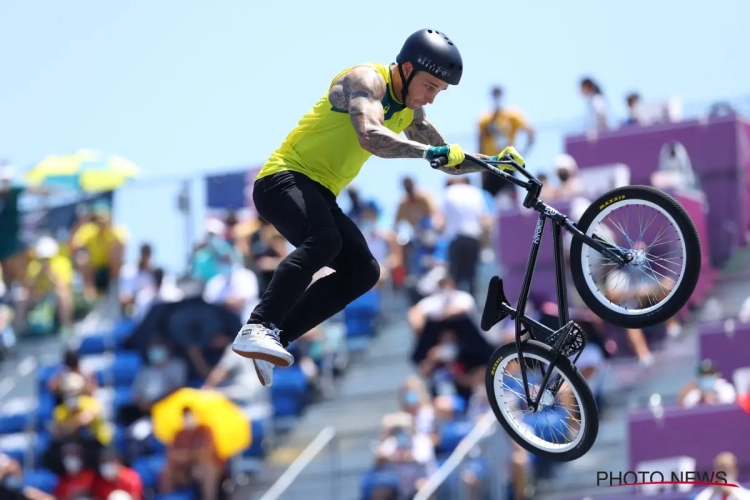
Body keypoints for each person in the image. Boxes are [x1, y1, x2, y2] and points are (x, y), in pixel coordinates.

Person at [231, 28, 526, 387]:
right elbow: (369, 135)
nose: (431, 99)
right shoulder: (366, 81)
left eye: (439, 91)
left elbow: (447, 160)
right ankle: (258, 325)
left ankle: (276, 337)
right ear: (405, 69)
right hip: (282, 178)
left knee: (364, 271)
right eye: (430, 86)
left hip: (319, 190)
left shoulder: (410, 111)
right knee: (324, 242)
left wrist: (494, 163)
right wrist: (427, 152)